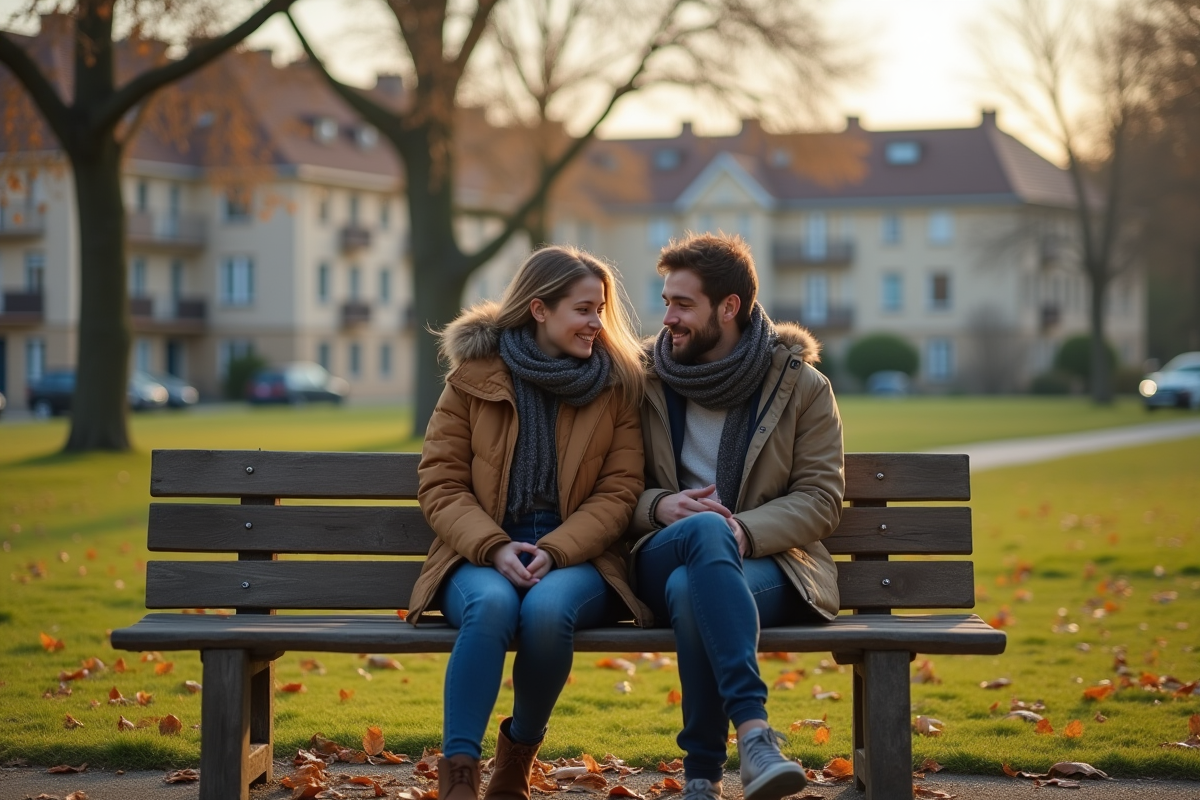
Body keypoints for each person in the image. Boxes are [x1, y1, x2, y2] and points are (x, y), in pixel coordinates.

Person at [408, 245, 652, 800]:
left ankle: (517, 755)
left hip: (579, 555)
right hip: (478, 552)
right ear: (540, 309)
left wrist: (557, 549)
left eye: (600, 309)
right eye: (584, 309)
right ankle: (460, 777)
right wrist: (494, 547)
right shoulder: (472, 379)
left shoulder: (615, 388)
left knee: (546, 611)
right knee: (491, 606)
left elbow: (620, 493)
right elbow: (441, 484)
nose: (597, 323)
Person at [629, 233, 845, 800]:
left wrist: (745, 530)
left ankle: (700, 776)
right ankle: (755, 735)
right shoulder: (641, 379)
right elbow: (604, 485)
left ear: (729, 307)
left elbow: (822, 498)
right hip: (658, 547)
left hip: (767, 561)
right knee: (698, 536)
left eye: (683, 304)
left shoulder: (800, 386)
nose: (667, 317)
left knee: (688, 590)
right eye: (667, 300)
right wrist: (657, 505)